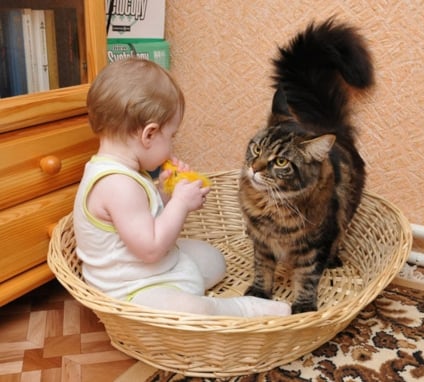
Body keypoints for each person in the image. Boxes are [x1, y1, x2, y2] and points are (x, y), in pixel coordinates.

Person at [73, 57, 291, 317]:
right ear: (149, 135)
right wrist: (180, 204)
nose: (172, 145)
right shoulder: (118, 185)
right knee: (191, 308)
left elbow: (143, 220)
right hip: (131, 291)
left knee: (213, 259)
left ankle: (187, 284)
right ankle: (241, 309)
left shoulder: (127, 173)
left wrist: (165, 194)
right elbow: (151, 249)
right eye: (171, 136)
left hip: (148, 269)